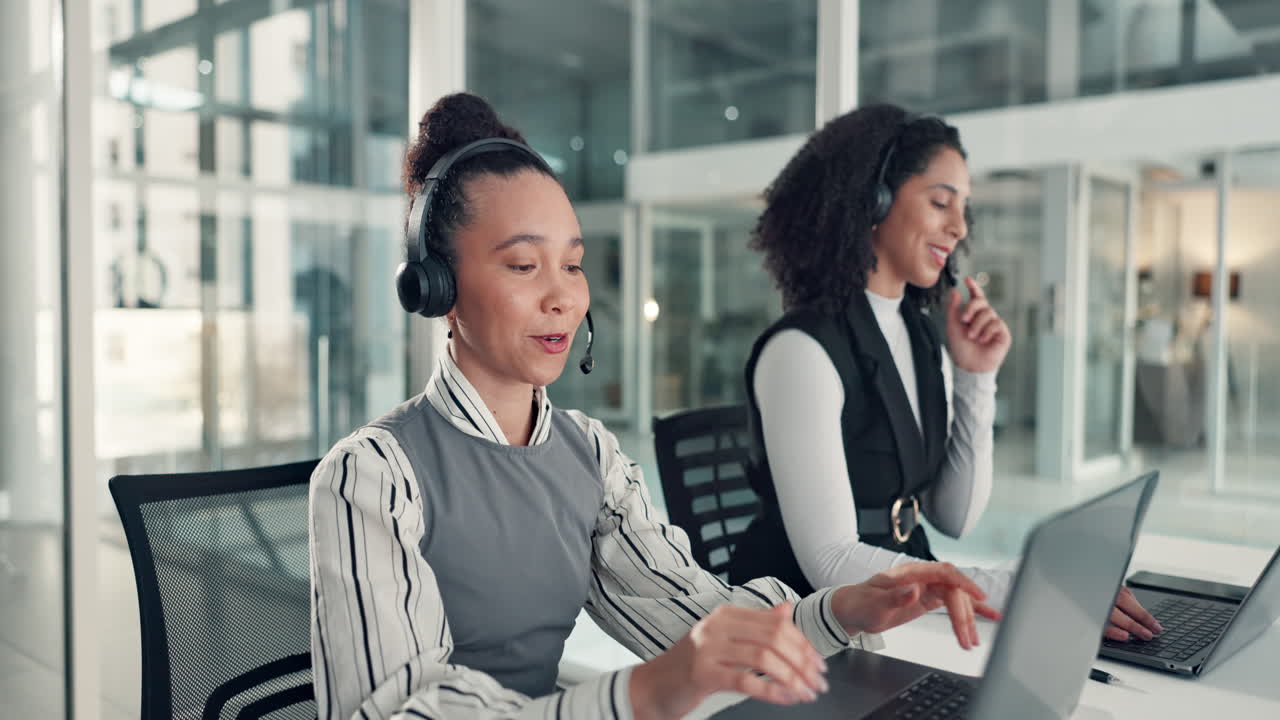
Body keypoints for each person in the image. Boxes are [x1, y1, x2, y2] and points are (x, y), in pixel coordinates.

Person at [308, 93, 998, 720]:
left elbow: (696, 616)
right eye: (524, 266)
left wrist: (842, 609)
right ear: (436, 286)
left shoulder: (589, 456)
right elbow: (399, 711)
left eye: (572, 264)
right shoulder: (372, 475)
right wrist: (643, 693)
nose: (563, 297)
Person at [726, 104, 1161, 646]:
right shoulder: (801, 351)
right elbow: (832, 562)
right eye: (940, 202)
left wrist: (977, 377)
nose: (958, 228)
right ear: (873, 200)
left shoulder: (919, 332)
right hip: (806, 630)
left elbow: (953, 517)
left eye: (964, 209)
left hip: (900, 603)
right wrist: (1020, 585)